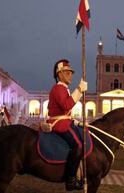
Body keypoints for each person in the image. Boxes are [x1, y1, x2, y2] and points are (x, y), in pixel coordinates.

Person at [45, 59, 87, 191]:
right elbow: (66, 105)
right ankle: (70, 180)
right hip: (59, 124)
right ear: (60, 74)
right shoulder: (58, 88)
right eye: (67, 72)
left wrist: (77, 122)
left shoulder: (64, 89)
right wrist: (79, 90)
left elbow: (66, 112)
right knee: (78, 146)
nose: (71, 75)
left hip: (64, 120)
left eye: (71, 73)